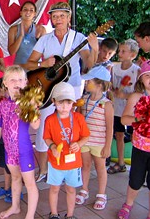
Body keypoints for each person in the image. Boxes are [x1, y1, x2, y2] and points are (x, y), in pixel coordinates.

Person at [25, 2, 98, 184]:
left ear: (69, 17)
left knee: (69, 129)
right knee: (45, 127)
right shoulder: (45, 39)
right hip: (47, 89)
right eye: (55, 16)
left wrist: (94, 48)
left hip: (70, 88)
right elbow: (29, 64)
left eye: (62, 16)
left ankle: (67, 166)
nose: (58, 20)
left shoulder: (78, 38)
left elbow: (89, 64)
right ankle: (43, 169)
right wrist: (43, 64)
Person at [0, 65, 40, 219]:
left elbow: (36, 125)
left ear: (25, 82)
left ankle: (30, 216)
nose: (16, 83)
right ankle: (15, 207)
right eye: (12, 80)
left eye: (20, 79)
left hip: (24, 150)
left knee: (30, 183)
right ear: (5, 83)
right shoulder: (3, 104)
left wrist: (30, 107)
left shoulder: (28, 102)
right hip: (8, 150)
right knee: (15, 178)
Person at [118, 59, 150, 219]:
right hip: (140, 148)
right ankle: (128, 204)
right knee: (135, 180)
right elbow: (124, 120)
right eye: (147, 75)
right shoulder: (136, 96)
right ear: (141, 78)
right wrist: (140, 118)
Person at [43, 82, 90, 219]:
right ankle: (54, 214)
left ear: (73, 103)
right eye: (60, 103)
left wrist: (79, 144)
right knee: (54, 188)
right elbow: (46, 138)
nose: (64, 107)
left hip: (73, 163)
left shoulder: (78, 118)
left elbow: (86, 136)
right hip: (55, 162)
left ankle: (70, 215)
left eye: (68, 103)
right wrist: (52, 147)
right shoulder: (50, 120)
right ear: (54, 102)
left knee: (71, 189)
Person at [75, 65, 113, 210]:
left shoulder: (107, 104)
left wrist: (107, 146)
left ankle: (101, 194)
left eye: (89, 81)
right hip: (84, 140)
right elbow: (78, 118)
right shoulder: (83, 99)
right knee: (85, 165)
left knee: (100, 167)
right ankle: (84, 190)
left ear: (99, 84)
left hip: (99, 142)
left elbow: (110, 128)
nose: (86, 84)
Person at [107, 39, 140, 174]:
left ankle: (137, 166)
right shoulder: (114, 68)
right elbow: (109, 86)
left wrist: (126, 96)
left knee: (135, 137)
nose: (119, 53)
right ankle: (121, 163)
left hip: (132, 110)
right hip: (117, 109)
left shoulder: (136, 71)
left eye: (123, 51)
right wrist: (112, 91)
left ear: (132, 55)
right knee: (119, 135)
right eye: (119, 51)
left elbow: (140, 92)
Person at [7, 1, 46, 68]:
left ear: (34, 14)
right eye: (25, 9)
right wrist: (20, 36)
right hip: (19, 69)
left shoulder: (41, 29)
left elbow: (45, 52)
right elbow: (11, 52)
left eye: (31, 10)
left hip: (35, 69)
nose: (28, 12)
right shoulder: (13, 30)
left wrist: (38, 39)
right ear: (21, 13)